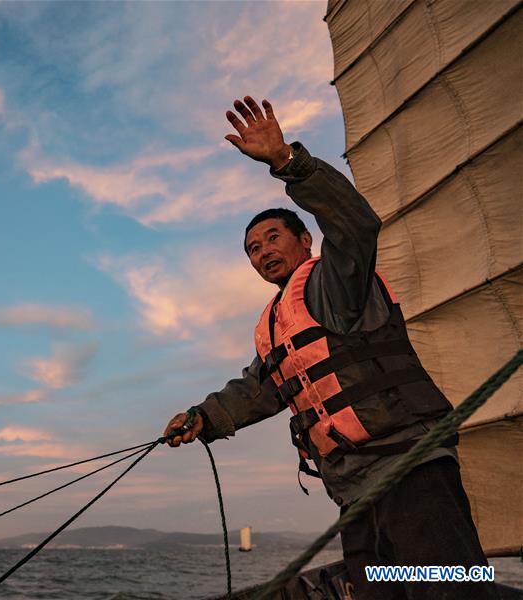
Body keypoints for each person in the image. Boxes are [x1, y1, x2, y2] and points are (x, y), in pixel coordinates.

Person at [163, 96, 497, 600]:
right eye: (253, 249)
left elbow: (357, 224)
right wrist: (201, 417)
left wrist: (286, 162)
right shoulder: (276, 326)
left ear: (306, 243)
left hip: (410, 470)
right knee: (380, 591)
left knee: (450, 588)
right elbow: (254, 391)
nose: (262, 252)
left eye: (273, 238)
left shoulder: (337, 283)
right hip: (353, 492)